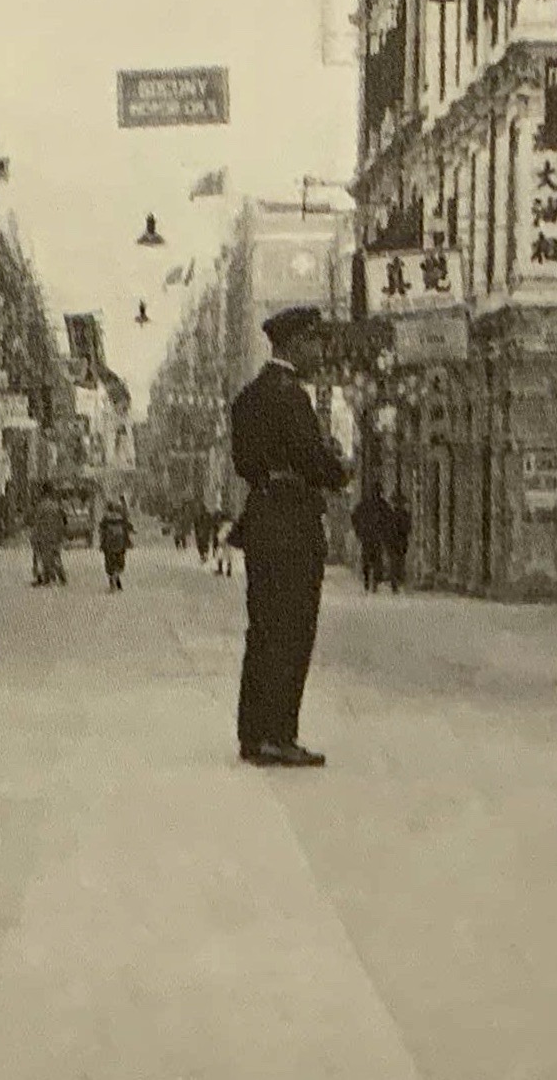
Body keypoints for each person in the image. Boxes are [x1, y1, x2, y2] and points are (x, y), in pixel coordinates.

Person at [229, 306, 350, 769]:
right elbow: (310, 458)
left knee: (261, 629)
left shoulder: (248, 397)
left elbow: (244, 463)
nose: (318, 349)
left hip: (261, 519)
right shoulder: (291, 396)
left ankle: (253, 734)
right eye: (313, 340)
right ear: (294, 343)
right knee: (294, 630)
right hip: (293, 524)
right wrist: (337, 472)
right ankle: (280, 735)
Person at [351, 486, 393, 592]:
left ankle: (368, 581)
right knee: (376, 560)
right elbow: (389, 519)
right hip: (375, 537)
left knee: (368, 559)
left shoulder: (364, 505)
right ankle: (373, 581)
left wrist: (359, 530)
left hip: (368, 537)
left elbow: (354, 517)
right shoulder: (382, 505)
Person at [28, 490, 67, 587]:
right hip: (55, 535)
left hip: (44, 536)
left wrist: (35, 536)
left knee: (44, 558)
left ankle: (47, 578)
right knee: (56, 556)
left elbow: (35, 522)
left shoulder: (41, 507)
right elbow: (64, 520)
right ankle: (62, 578)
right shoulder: (56, 506)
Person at [98, 498, 135, 591]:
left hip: (109, 544)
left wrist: (102, 543)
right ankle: (116, 578)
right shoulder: (121, 518)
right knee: (119, 562)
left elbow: (102, 530)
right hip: (120, 544)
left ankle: (113, 580)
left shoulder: (106, 518)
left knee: (110, 563)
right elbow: (128, 527)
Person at [385, 491, 412, 594]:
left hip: (393, 542)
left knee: (394, 562)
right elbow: (407, 528)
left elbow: (387, 528)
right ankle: (398, 582)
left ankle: (395, 583)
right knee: (399, 562)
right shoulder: (404, 515)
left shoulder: (390, 515)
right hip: (400, 542)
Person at [210, 507, 234, 577]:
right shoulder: (231, 524)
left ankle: (221, 569)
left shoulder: (223, 525)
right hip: (229, 541)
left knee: (220, 554)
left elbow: (221, 535)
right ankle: (229, 571)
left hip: (223, 541)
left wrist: (219, 541)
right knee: (229, 555)